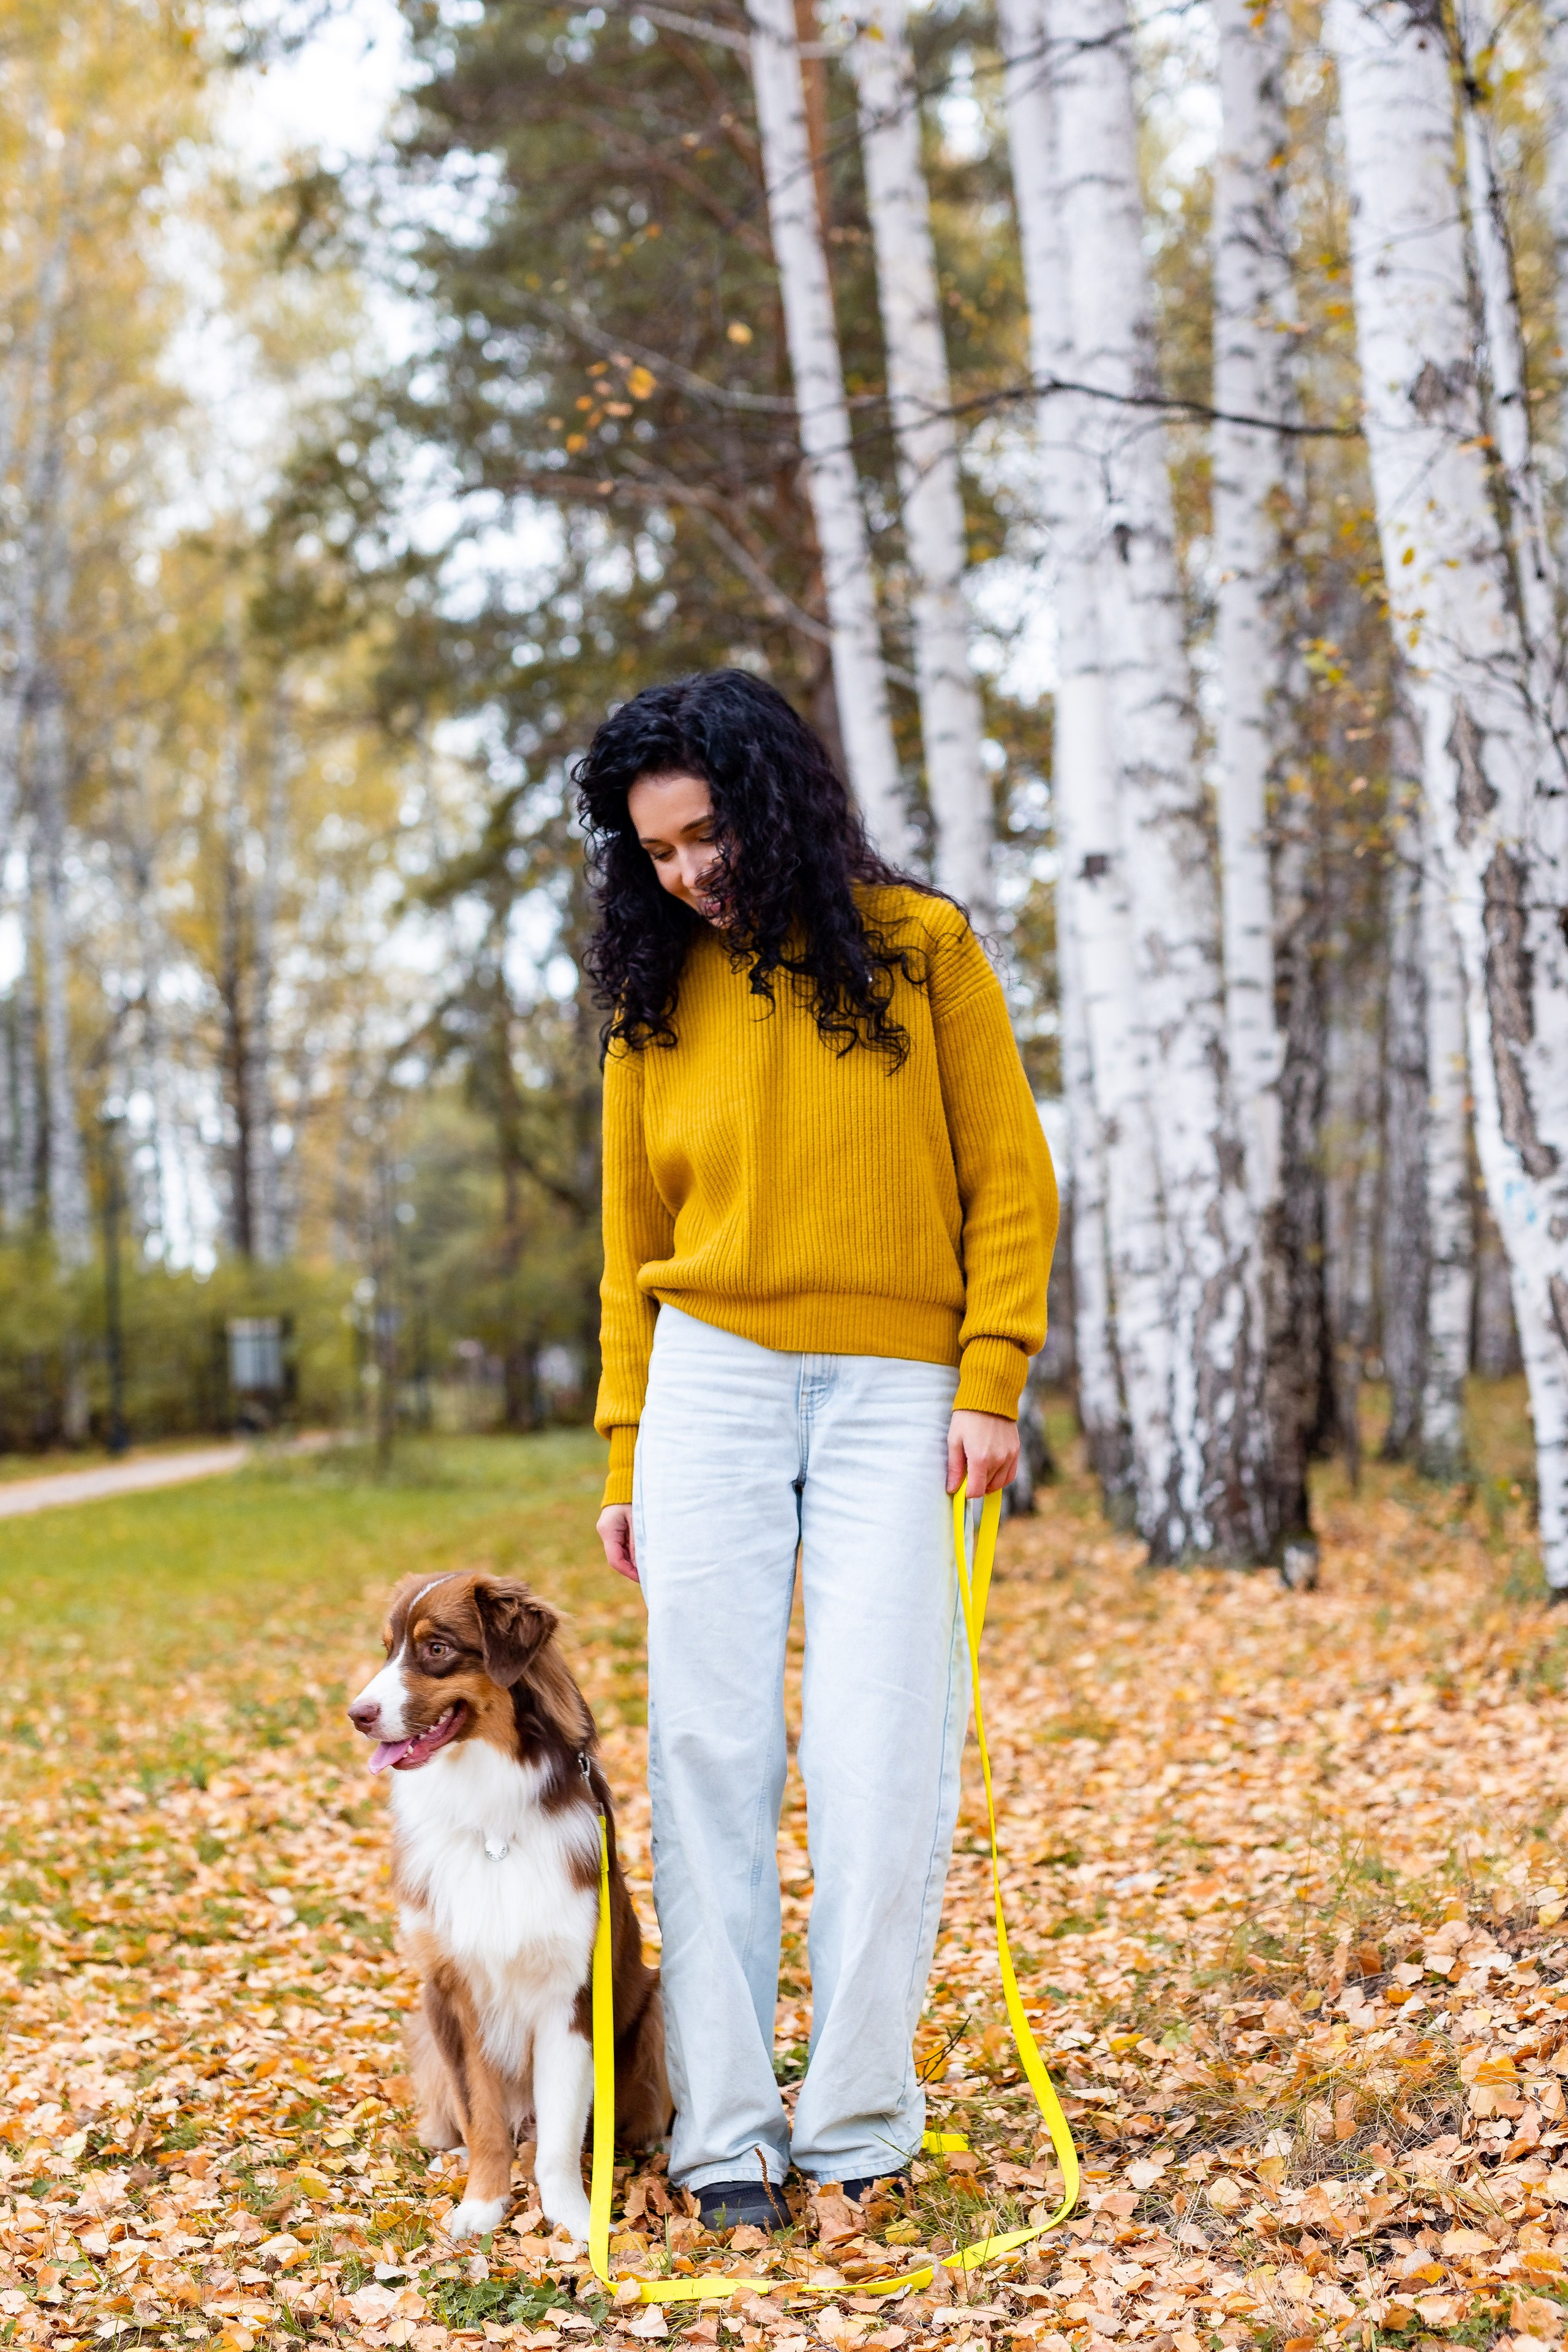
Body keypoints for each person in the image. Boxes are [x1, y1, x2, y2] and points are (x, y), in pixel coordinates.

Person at [576, 669, 1057, 2233]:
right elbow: (626, 1244)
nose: (688, 875)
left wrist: (990, 1379)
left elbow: (1008, 1178)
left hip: (900, 1391)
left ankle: (853, 2118)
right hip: (707, 1381)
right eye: (655, 853)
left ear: (773, 805)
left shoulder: (923, 949)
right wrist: (624, 1444)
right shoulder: (656, 1000)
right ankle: (723, 2135)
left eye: (707, 836)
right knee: (709, 1752)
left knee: (876, 1750)